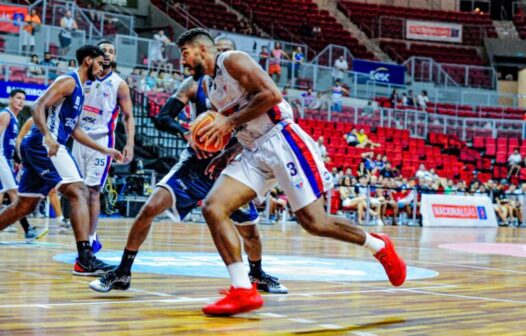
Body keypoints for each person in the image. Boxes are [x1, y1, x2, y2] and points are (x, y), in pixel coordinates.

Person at [171, 28, 406, 316]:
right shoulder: (210, 85)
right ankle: (243, 289)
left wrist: (228, 122)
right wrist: (226, 153)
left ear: (202, 50)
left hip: (282, 140)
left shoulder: (233, 60)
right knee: (213, 207)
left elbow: (271, 95)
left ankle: (377, 244)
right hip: (252, 150)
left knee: (314, 222)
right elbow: (242, 125)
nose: (181, 60)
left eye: (185, 53)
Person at [89, 35, 288, 295]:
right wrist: (188, 134)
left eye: (227, 52)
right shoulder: (196, 84)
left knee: (249, 230)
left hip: (232, 164)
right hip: (196, 161)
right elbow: (162, 117)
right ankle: (123, 272)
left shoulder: (247, 86)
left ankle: (257, 274)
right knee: (150, 207)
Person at [0, 45, 122, 275]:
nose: (101, 67)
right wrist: (47, 136)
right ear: (88, 61)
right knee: (79, 191)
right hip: (43, 144)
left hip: (44, 144)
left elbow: (74, 130)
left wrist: (105, 150)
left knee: (25, 205)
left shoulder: (82, 90)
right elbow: (38, 105)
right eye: (98, 62)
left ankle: (85, 259)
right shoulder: (69, 81)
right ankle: (85, 259)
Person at [71, 40, 135, 254]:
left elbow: (128, 116)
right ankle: (87, 237)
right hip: (78, 138)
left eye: (111, 51)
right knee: (76, 191)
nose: (107, 54)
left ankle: (89, 240)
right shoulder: (80, 78)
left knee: (92, 190)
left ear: (114, 57)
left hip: (101, 141)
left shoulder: (119, 84)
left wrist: (130, 143)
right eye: (103, 50)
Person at [0, 90, 47, 241]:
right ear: (10, 99)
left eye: (23, 99)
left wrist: (16, 159)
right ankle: (28, 230)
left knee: (5, 192)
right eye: (18, 98)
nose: (21, 101)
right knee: (14, 192)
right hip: (0, 159)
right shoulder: (5, 115)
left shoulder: (14, 117)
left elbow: (9, 142)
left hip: (5, 159)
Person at [16, 117, 70, 232]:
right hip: (30, 160)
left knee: (52, 189)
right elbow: (20, 138)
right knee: (20, 198)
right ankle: (27, 225)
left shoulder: (55, 122)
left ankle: (60, 220)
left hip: (43, 160)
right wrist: (21, 157)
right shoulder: (31, 120)